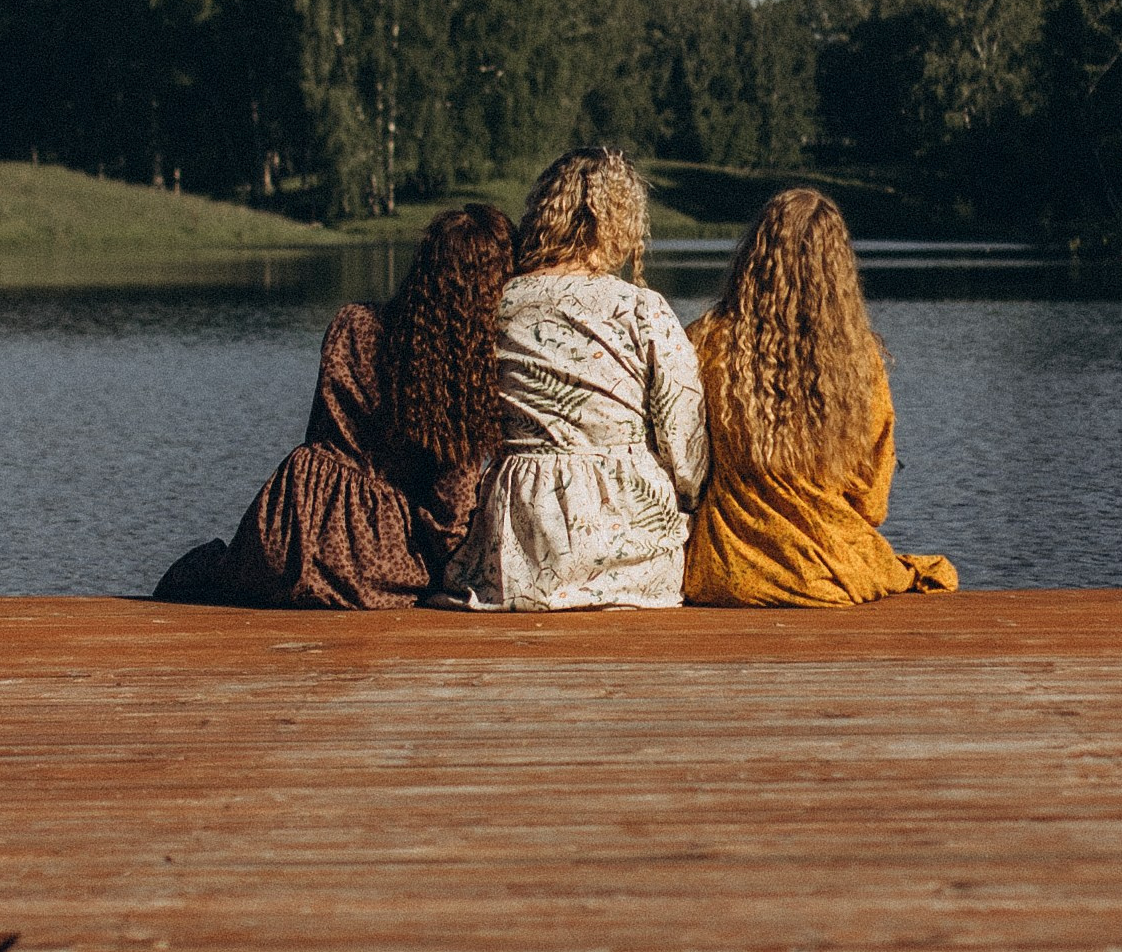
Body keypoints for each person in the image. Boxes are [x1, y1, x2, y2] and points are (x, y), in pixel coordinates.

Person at [154, 201, 512, 609]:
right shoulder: (463, 370)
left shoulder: (352, 322)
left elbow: (320, 434)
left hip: (287, 528)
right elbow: (450, 513)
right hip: (375, 561)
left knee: (207, 570)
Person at [449, 148, 705, 609]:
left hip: (520, 540)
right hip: (627, 530)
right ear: (621, 221)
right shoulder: (642, 310)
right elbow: (683, 445)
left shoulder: (499, 302)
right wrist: (689, 497)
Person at [683, 186, 957, 605]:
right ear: (839, 270)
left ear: (753, 256)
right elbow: (870, 500)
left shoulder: (706, 342)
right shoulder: (859, 359)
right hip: (829, 569)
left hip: (727, 570)